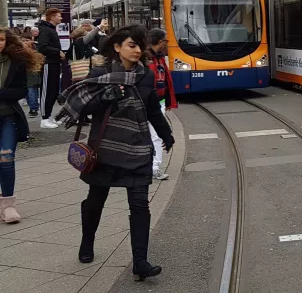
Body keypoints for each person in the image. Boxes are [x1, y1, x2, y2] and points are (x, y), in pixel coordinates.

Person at [55, 25, 174, 281]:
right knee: (96, 201)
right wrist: (105, 97)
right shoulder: (102, 72)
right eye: (132, 45)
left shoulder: (145, 76)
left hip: (138, 147)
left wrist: (166, 135)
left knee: (140, 205)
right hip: (106, 149)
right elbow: (86, 109)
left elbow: (152, 109)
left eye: (140, 46)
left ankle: (140, 262)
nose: (137, 50)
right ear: (118, 47)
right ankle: (87, 242)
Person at [0, 29, 42, 224]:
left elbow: (21, 91)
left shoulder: (15, 62)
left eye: (1, 39)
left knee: (7, 157)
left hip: (8, 117)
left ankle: (8, 205)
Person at [146, 28, 175, 181]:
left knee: (156, 135)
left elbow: (166, 80)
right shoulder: (146, 58)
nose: (166, 44)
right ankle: (150, 167)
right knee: (150, 135)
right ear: (159, 41)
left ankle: (154, 167)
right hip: (146, 103)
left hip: (159, 102)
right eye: (165, 41)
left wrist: (169, 100)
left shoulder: (160, 57)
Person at [36, 9, 65, 128]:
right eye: (59, 16)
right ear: (52, 17)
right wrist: (58, 52)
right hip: (48, 64)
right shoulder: (46, 30)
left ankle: (48, 116)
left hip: (54, 63)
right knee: (47, 91)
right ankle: (44, 119)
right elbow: (42, 47)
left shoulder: (50, 29)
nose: (61, 18)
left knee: (53, 92)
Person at [19, 34, 40, 117]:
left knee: (31, 89)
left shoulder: (36, 49)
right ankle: (33, 107)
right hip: (23, 72)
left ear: (31, 40)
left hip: (32, 71)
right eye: (23, 41)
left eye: (26, 40)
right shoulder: (19, 49)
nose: (25, 42)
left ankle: (33, 108)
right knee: (27, 90)